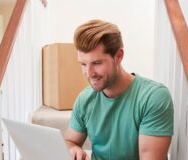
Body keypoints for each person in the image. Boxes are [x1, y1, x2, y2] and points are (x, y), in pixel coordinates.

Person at [65, 19, 174, 160]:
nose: (89, 73)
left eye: (97, 63)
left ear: (118, 56)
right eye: (83, 64)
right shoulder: (85, 99)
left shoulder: (153, 97)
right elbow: (70, 141)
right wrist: (73, 149)